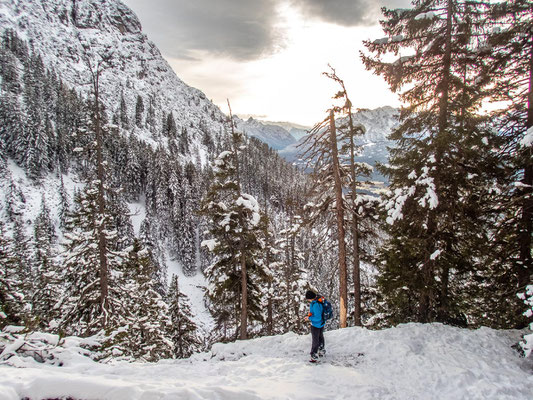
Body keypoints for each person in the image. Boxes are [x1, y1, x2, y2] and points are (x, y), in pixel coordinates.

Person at [305, 289, 325, 362]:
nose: (308, 300)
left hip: (316, 324)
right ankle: (321, 349)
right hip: (321, 323)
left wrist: (309, 318)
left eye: (308, 299)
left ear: (311, 298)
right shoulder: (319, 301)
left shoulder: (315, 304)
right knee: (320, 337)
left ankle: (314, 354)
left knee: (315, 339)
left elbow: (317, 317)